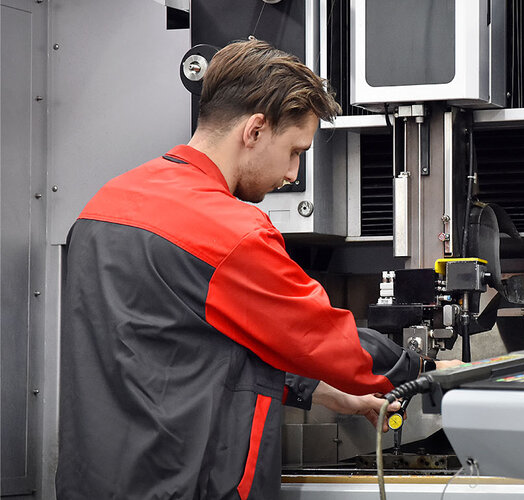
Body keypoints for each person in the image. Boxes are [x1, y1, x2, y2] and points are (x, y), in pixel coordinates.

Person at [56, 39, 456, 499]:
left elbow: (179, 355)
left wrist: (320, 393)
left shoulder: (104, 207)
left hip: (92, 483)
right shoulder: (227, 231)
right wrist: (424, 368)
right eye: (294, 150)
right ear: (255, 130)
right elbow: (320, 336)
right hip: (184, 484)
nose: (292, 172)